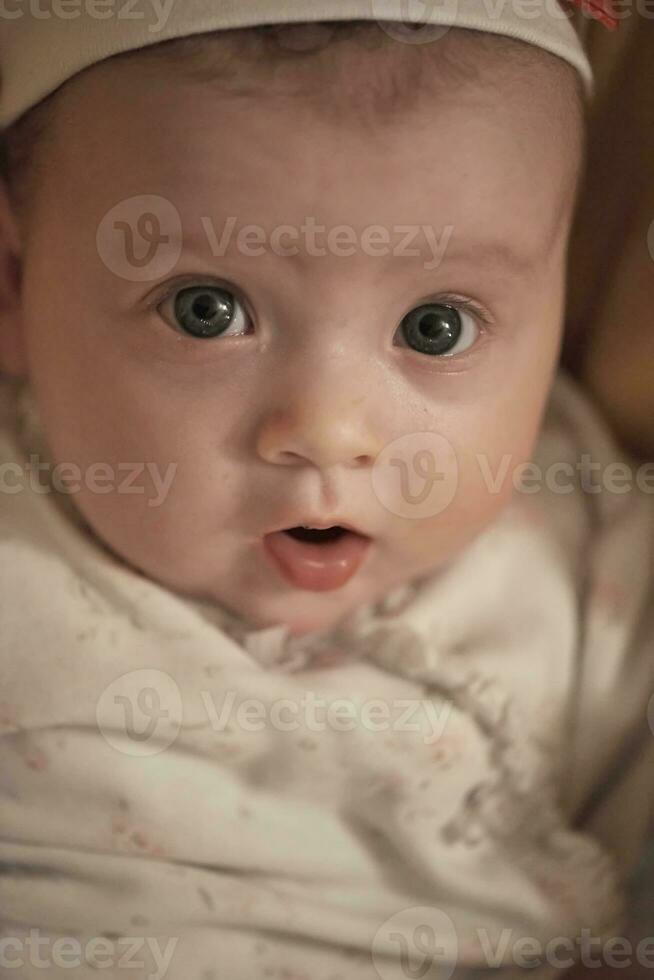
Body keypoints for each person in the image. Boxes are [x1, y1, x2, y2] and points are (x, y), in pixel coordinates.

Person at [0, 2, 651, 977]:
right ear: (11, 284)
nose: (328, 432)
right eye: (206, 308)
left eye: (437, 325)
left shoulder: (579, 526)